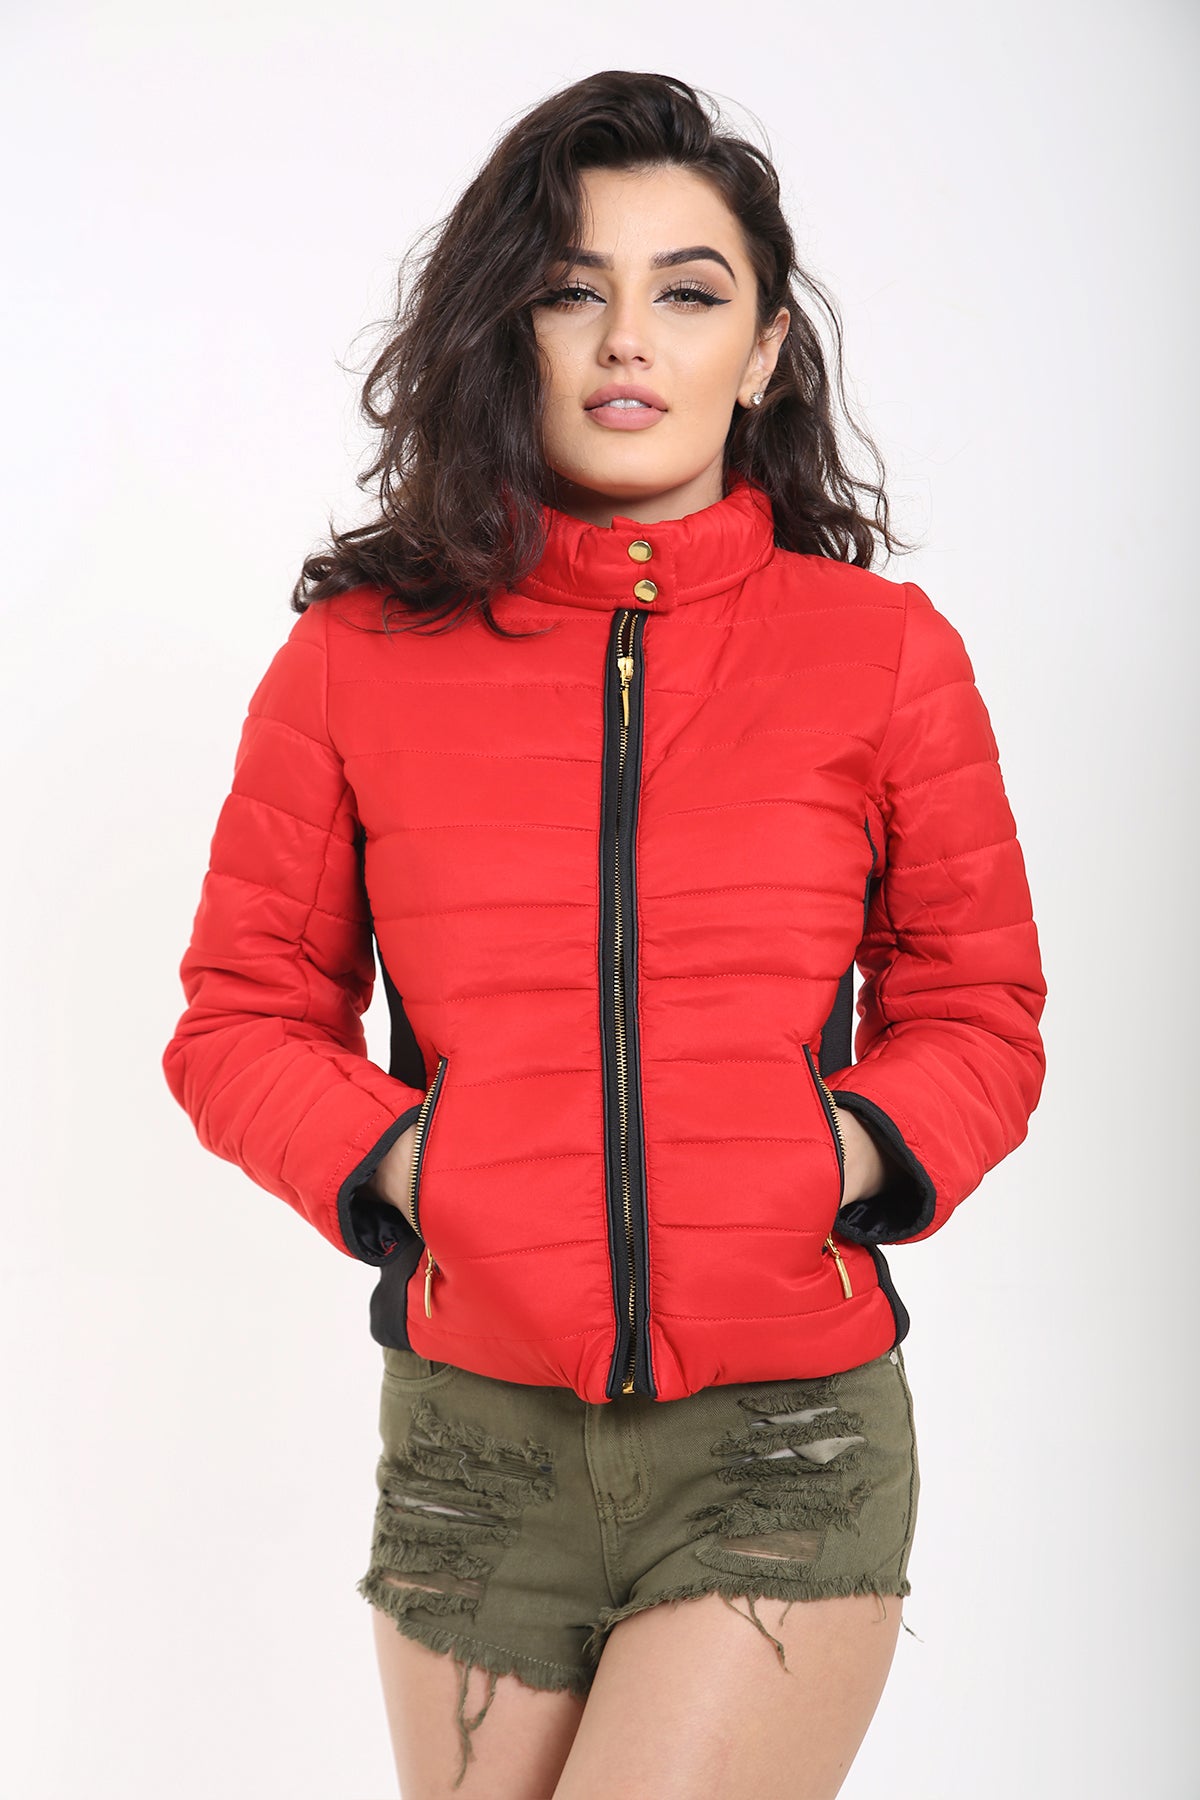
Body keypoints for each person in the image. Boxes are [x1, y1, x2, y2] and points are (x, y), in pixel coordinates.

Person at [162, 69, 1047, 1800]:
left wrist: (836, 1153)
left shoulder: (881, 657)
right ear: (512, 328)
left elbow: (981, 1009)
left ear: (764, 351)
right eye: (575, 289)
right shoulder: (355, 661)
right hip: (473, 1453)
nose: (629, 339)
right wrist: (422, 1167)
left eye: (688, 293)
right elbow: (239, 1017)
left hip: (780, 1438)